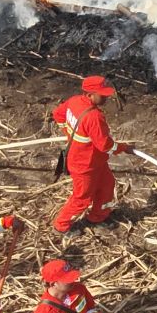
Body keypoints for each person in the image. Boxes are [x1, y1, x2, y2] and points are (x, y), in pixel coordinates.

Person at [54, 75, 129, 233]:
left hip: (95, 161)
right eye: (102, 95)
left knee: (107, 186)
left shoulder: (74, 101)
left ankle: (98, 217)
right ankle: (61, 225)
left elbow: (58, 114)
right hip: (84, 166)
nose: (106, 98)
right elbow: (105, 145)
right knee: (82, 198)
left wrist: (69, 134)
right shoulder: (94, 117)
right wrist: (123, 148)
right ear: (89, 94)